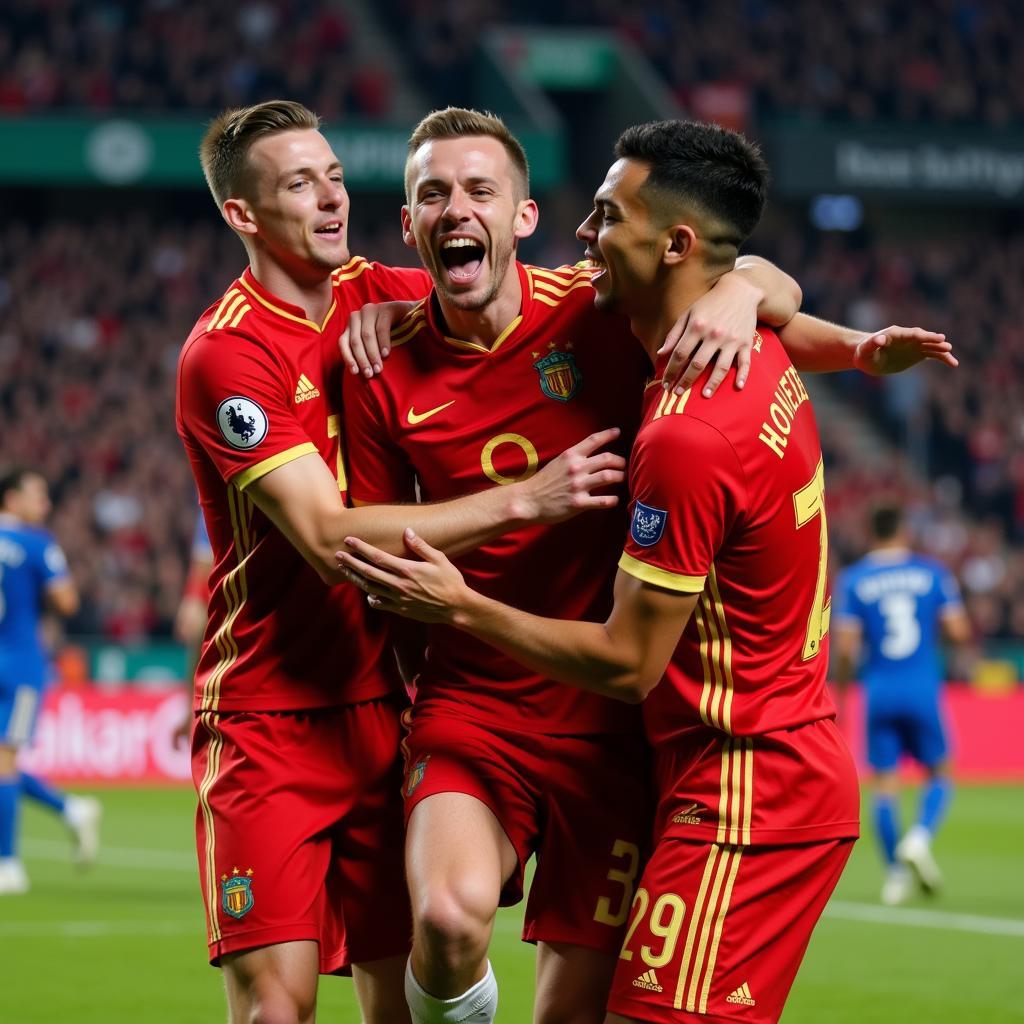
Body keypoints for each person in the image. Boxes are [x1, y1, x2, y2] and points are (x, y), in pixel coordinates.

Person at [339, 108, 956, 1024]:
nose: (589, 236)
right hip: (530, 713)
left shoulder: (639, 363)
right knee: (448, 912)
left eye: (480, 190)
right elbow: (739, 274)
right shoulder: (646, 335)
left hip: (662, 737)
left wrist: (750, 287)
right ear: (407, 220)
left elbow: (747, 277)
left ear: (521, 217)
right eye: (432, 192)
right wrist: (838, 339)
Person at [178, 98, 630, 1024]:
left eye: (336, 175)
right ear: (243, 216)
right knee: (277, 1011)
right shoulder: (226, 354)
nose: (330, 196)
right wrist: (524, 499)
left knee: (403, 995)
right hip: (271, 711)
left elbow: (475, 278)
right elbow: (328, 539)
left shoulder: (372, 291)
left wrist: (753, 289)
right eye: (299, 184)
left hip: (384, 705)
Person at [832, 503, 971, 906]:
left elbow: (844, 648)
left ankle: (894, 874)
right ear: (904, 532)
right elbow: (959, 630)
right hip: (921, 684)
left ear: (871, 533)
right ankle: (920, 837)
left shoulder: (854, 580)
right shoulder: (932, 573)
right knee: (941, 771)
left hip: (879, 689)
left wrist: (843, 691)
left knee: (884, 785)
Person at [0, 467, 100, 895]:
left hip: (16, 664)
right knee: (3, 762)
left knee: (3, 761)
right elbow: (66, 600)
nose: (45, 505)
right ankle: (66, 810)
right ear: (11, 498)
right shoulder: (38, 543)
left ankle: (8, 863)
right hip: (21, 664)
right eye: (37, 496)